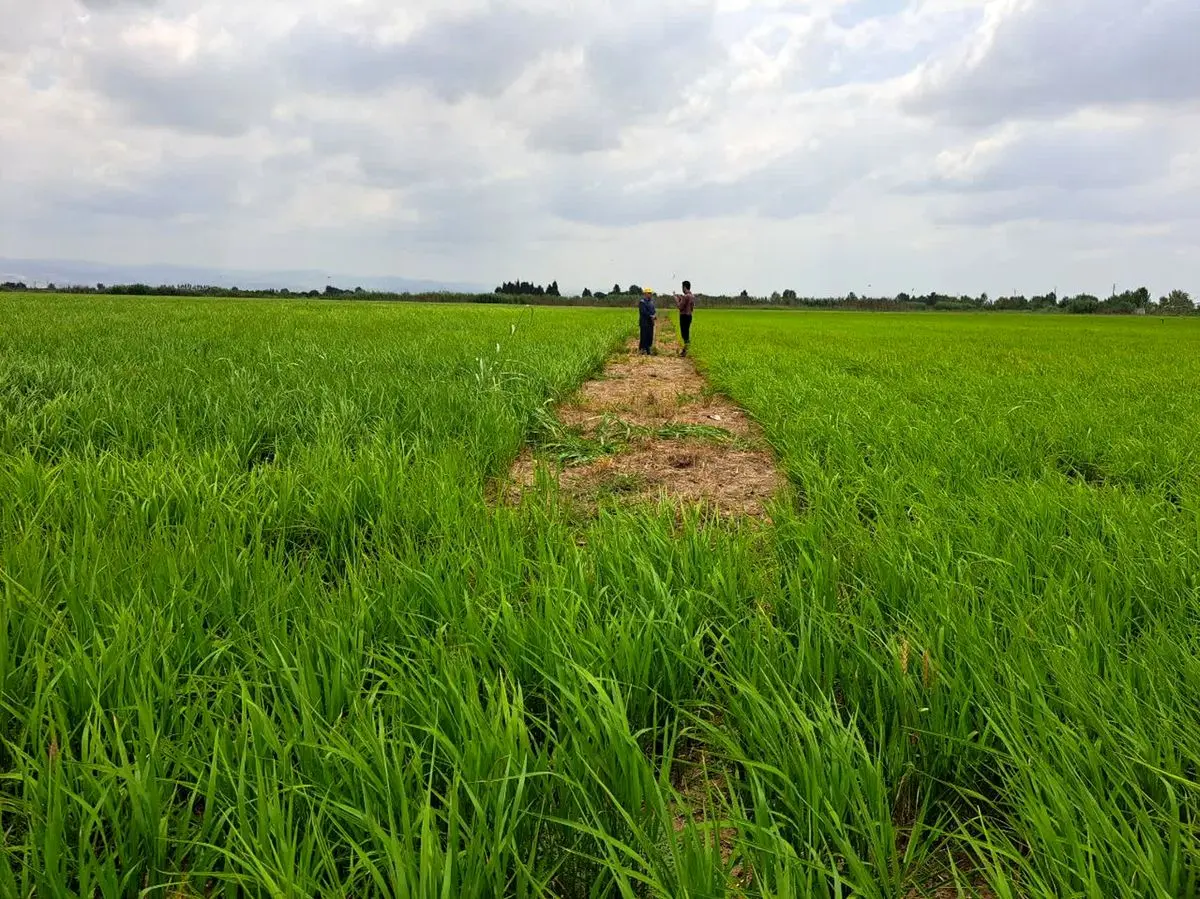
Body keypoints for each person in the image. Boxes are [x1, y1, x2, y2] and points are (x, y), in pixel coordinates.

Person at [675, 280, 696, 356]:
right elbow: (691, 307)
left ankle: (686, 350)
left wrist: (677, 300)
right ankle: (686, 349)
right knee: (686, 333)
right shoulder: (692, 296)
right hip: (689, 316)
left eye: (682, 287)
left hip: (684, 316)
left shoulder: (685, 296)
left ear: (684, 287)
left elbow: (680, 307)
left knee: (684, 334)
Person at [638, 288, 657, 355]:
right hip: (644, 322)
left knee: (650, 336)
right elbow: (643, 312)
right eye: (649, 293)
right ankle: (644, 350)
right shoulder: (642, 302)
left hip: (650, 322)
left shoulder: (651, 302)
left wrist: (654, 315)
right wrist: (651, 316)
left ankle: (647, 349)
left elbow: (654, 310)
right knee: (644, 337)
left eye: (650, 293)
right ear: (645, 294)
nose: (650, 294)